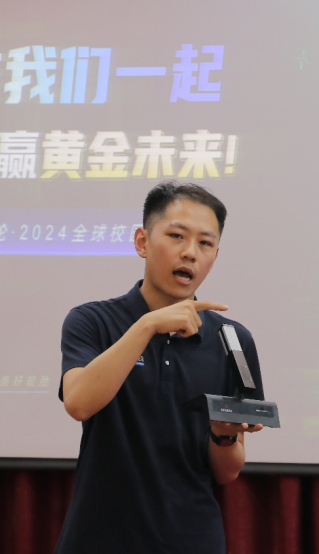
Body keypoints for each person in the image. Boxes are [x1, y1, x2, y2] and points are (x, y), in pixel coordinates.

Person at [54, 180, 265, 554]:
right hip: (99, 538)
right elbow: (79, 403)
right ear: (142, 242)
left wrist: (223, 435)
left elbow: (227, 471)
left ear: (216, 254)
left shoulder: (233, 340)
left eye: (205, 243)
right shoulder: (92, 321)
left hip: (192, 540)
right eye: (177, 236)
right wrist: (147, 325)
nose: (190, 253)